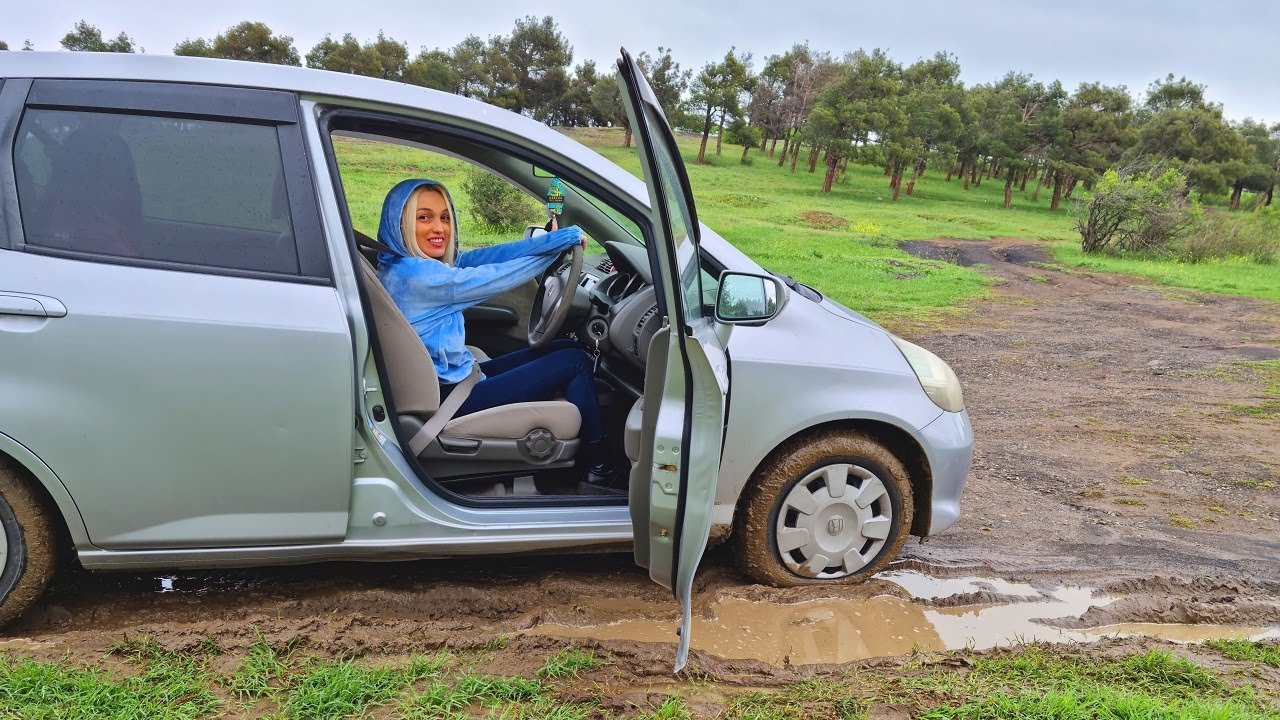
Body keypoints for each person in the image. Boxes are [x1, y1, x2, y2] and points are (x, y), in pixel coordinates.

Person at [375, 178, 622, 493]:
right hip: (451, 399)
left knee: (561, 346)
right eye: (424, 217)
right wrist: (562, 245)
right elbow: (500, 276)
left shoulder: (402, 265)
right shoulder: (421, 277)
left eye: (445, 217)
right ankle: (601, 468)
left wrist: (552, 241)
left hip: (450, 381)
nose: (439, 228)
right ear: (401, 223)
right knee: (574, 360)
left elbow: (493, 257)